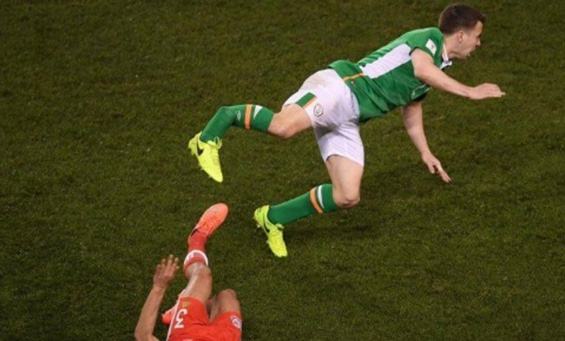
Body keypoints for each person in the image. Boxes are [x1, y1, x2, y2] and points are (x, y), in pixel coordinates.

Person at [189, 4, 505, 258]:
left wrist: (425, 152)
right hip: (339, 89)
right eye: (477, 36)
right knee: (283, 127)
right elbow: (421, 68)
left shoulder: (439, 66)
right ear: (460, 35)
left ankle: (272, 218)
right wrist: (470, 92)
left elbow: (411, 109)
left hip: (348, 118)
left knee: (348, 195)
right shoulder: (430, 38)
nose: (479, 43)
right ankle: (210, 135)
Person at [134, 204, 384, 341]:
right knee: (226, 296)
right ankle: (190, 300)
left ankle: (197, 238)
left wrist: (159, 287)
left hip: (187, 338)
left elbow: (143, 336)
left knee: (203, 275)